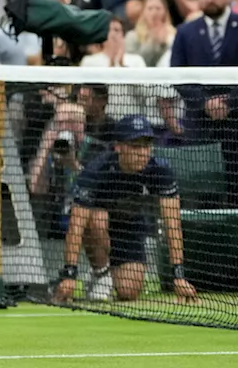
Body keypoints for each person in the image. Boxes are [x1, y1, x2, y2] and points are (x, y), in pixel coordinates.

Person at [53, 115, 197, 304]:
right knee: (97, 218)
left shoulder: (160, 171)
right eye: (135, 146)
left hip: (131, 229)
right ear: (118, 147)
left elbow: (173, 225)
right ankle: (101, 273)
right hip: (97, 228)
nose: (142, 153)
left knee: (129, 292)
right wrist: (69, 273)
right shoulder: (96, 171)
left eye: (146, 146)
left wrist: (179, 275)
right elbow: (76, 224)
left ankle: (106, 275)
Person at [169, 0, 238, 207]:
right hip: (201, 130)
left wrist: (229, 103)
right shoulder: (185, 33)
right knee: (203, 198)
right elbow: (178, 76)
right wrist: (205, 104)